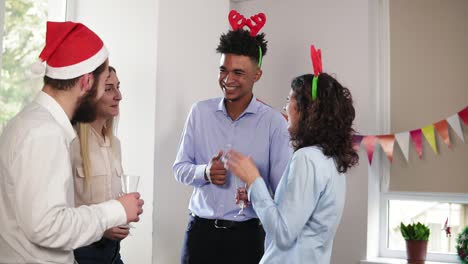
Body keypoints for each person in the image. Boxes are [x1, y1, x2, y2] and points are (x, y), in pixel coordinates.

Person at [0, 22, 144, 263]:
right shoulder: (44, 133)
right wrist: (116, 210)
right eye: (103, 85)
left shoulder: (29, 122)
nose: (106, 95)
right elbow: (47, 226)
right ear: (87, 82)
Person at [172, 23, 292, 263]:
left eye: (238, 72)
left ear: (257, 75)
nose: (227, 79)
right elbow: (179, 169)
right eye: (223, 70)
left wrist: (255, 185)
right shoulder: (199, 112)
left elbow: (283, 193)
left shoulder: (274, 123)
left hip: (248, 238)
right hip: (200, 234)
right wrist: (204, 171)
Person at [227, 70, 359, 263]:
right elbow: (301, 219)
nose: (285, 107)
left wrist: (254, 180)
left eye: (289, 99)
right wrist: (256, 196)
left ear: (306, 109)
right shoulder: (330, 159)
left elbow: (283, 234)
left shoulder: (306, 159)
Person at [71, 66, 128, 263]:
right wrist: (102, 227)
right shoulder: (71, 143)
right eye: (109, 88)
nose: (119, 96)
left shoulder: (115, 144)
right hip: (81, 254)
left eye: (118, 87)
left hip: (113, 254)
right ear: (89, 95)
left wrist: (125, 211)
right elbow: (59, 212)